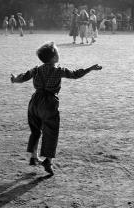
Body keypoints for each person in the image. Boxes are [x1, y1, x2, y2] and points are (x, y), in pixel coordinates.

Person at [10, 42, 102, 175]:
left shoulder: (36, 69)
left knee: (35, 130)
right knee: (51, 132)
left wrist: (14, 79)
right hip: (49, 104)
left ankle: (33, 156)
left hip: (34, 102)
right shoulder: (59, 71)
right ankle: (48, 160)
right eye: (57, 53)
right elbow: (76, 74)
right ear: (53, 58)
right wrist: (90, 68)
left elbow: (23, 76)